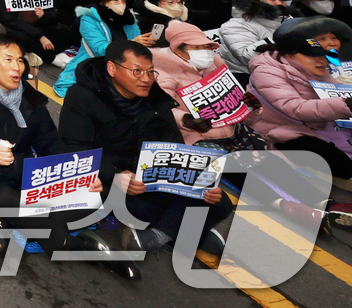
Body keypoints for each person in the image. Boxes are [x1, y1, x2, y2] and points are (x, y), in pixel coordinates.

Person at [0, 33, 114, 262]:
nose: (17, 67)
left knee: (92, 194)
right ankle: (65, 242)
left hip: (24, 170)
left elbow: (48, 140)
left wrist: (76, 174)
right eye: (8, 60)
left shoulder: (27, 94)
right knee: (3, 197)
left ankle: (8, 223)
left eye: (20, 60)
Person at [58, 41, 232, 255]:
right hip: (106, 177)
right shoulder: (82, 95)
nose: (146, 79)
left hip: (148, 176)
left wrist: (200, 181)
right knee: (139, 207)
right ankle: (185, 232)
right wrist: (115, 175)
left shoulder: (156, 99)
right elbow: (73, 148)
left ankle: (160, 235)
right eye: (137, 71)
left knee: (220, 201)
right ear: (112, 69)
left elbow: (174, 147)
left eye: (151, 73)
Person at [248, 31, 352, 186]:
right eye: (313, 56)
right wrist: (347, 104)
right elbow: (295, 108)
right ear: (290, 55)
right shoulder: (266, 72)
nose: (321, 61)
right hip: (283, 131)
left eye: (323, 56)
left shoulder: (316, 71)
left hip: (322, 125)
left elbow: (332, 99)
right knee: (339, 163)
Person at [53, 0, 151, 97]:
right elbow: (99, 49)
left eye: (123, 0)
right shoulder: (89, 19)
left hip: (126, 68)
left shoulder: (129, 21)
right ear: (102, 2)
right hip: (95, 67)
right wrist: (131, 44)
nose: (121, 3)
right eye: (115, 0)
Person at [151, 21, 238, 146]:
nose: (205, 51)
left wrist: (251, 106)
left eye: (207, 47)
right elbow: (161, 108)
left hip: (233, 134)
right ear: (178, 50)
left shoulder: (215, 67)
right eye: (196, 47)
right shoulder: (164, 74)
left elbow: (245, 113)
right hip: (197, 140)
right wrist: (185, 119)